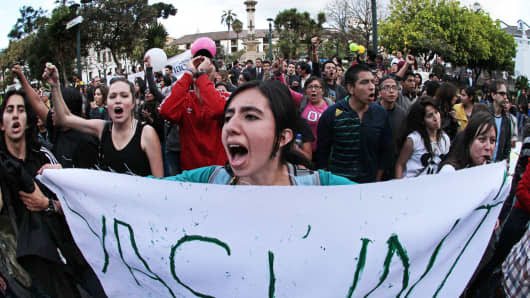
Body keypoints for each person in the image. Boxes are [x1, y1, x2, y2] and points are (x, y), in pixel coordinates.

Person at [0, 89, 105, 297]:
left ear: (28, 121)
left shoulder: (44, 156)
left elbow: (76, 205)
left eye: (20, 110)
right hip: (26, 268)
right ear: (1, 123)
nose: (14, 115)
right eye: (9, 110)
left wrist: (47, 204)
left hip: (67, 255)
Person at [163, 80, 353, 186]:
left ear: (283, 137)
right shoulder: (209, 180)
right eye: (228, 118)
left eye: (251, 117)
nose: (230, 127)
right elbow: (144, 192)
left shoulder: (321, 186)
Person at [44, 63, 164, 177]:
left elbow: (159, 184)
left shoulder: (146, 134)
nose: (118, 100)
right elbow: (64, 119)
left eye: (124, 95)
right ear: (108, 103)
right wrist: (55, 86)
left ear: (133, 103)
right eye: (112, 96)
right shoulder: (102, 129)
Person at [159, 38, 229, 171]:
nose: (202, 64)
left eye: (208, 61)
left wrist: (202, 75)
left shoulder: (226, 97)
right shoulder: (184, 100)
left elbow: (219, 110)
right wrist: (188, 74)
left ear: (217, 75)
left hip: (220, 174)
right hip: (192, 176)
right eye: (198, 61)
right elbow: (165, 111)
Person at [317, 64, 393, 183]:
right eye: (364, 82)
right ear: (351, 88)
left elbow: (385, 151)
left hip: (370, 184)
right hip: (339, 183)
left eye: (373, 82)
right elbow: (322, 153)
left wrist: (377, 180)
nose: (372, 87)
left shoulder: (381, 114)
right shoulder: (332, 114)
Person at [12, 65, 99, 169]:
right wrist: (21, 77)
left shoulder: (85, 141)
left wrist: (62, 169)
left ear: (68, 110)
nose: (51, 111)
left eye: (55, 106)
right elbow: (38, 103)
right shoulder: (57, 126)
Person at [395, 96, 450, 178]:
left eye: (436, 112)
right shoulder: (414, 139)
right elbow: (400, 165)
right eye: (430, 116)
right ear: (422, 121)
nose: (436, 118)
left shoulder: (444, 139)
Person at [488, 80, 512, 162]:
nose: (505, 97)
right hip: (482, 165)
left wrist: (506, 162)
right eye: (502, 93)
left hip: (497, 166)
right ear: (493, 95)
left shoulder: (507, 120)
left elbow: (507, 146)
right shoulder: (484, 115)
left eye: (506, 94)